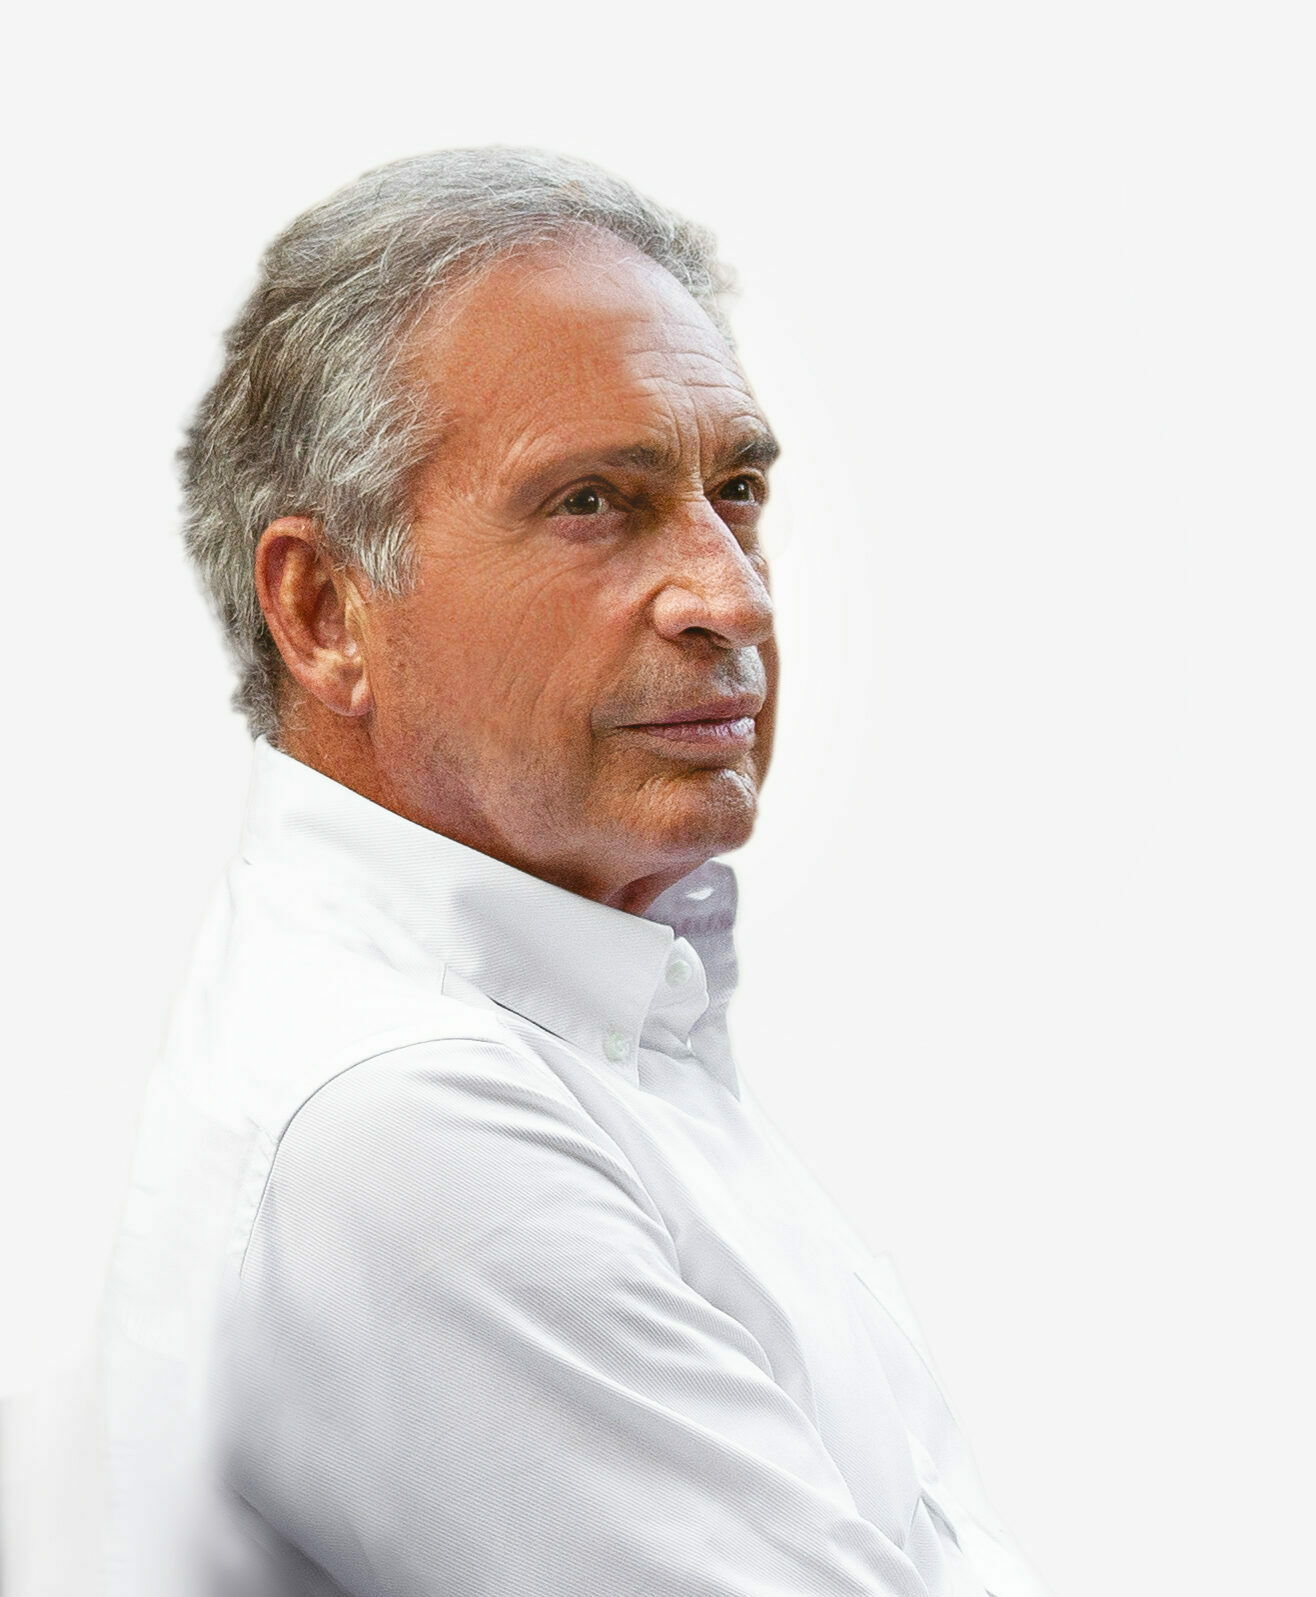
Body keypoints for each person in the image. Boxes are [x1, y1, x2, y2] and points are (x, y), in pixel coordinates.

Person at [100, 146, 1049, 1597]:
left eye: (738, 488)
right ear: (324, 609)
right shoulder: (407, 1122)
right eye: (594, 501)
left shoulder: (581, 1014)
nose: (734, 594)